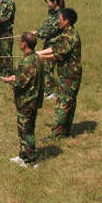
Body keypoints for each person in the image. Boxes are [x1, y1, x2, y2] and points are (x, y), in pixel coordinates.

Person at [36, 8, 82, 139]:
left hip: (70, 75)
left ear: (67, 21)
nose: (58, 21)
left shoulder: (70, 36)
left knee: (63, 103)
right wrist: (39, 53)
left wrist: (37, 57)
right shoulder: (65, 33)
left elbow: (56, 54)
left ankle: (57, 134)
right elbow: (54, 48)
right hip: (67, 73)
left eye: (60, 19)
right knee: (69, 102)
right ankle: (65, 131)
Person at [2, 32, 44, 169]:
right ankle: (23, 155)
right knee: (23, 129)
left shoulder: (25, 62)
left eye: (20, 41)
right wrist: (16, 77)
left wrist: (9, 80)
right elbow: (27, 77)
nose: (19, 43)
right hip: (33, 99)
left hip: (27, 101)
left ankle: (31, 161)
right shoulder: (36, 58)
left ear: (24, 44)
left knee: (26, 130)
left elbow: (21, 82)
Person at [31, 0, 65, 100]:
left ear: (55, 2)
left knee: (46, 67)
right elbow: (45, 26)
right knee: (44, 66)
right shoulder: (51, 13)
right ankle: (48, 90)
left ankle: (54, 91)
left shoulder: (60, 15)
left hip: (55, 45)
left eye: (49, 3)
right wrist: (38, 31)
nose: (48, 5)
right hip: (48, 44)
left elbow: (51, 30)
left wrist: (37, 33)